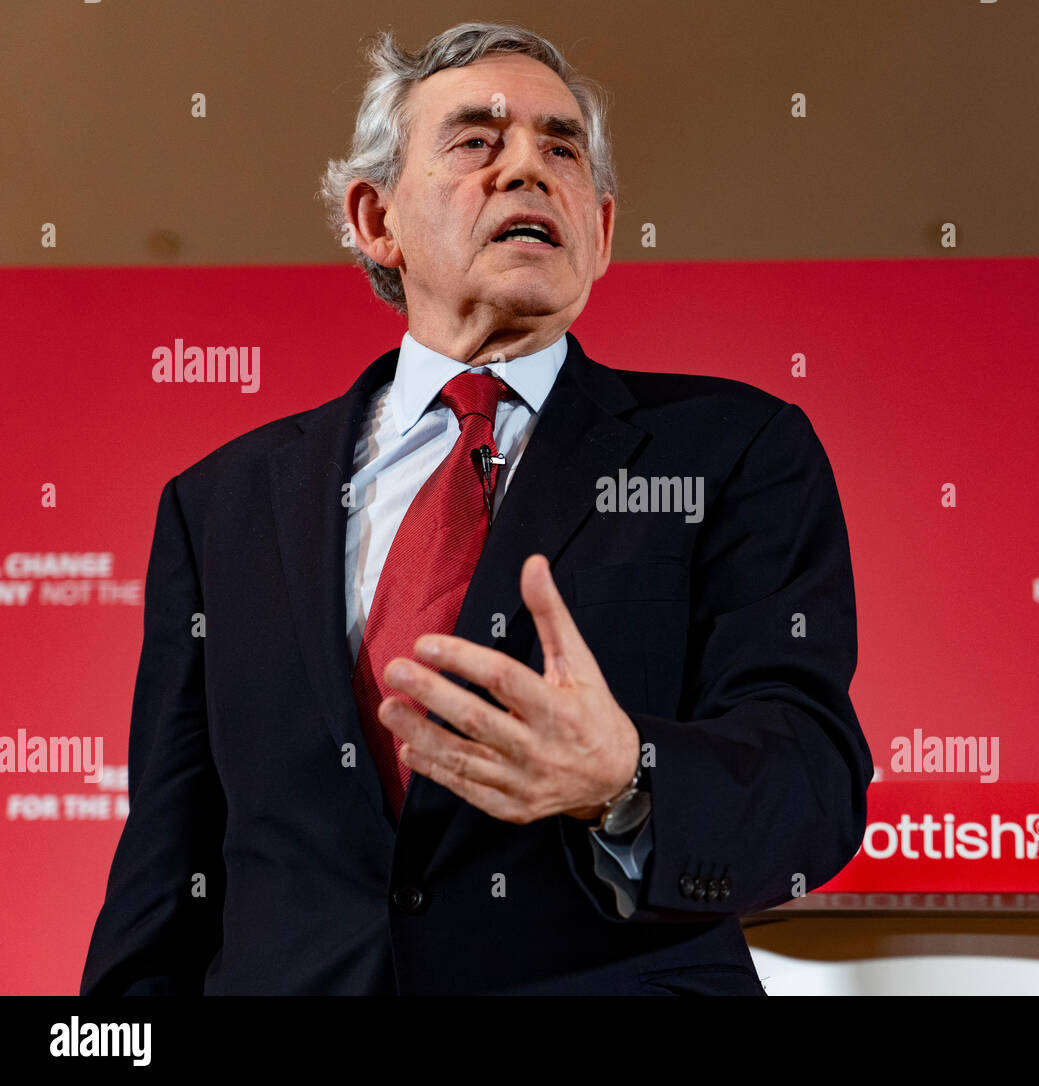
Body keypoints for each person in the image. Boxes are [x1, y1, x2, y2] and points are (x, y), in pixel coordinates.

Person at [81, 20, 872, 996]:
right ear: (376, 219)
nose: (527, 171)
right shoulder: (223, 503)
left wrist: (626, 775)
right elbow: (168, 863)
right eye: (476, 142)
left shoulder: (736, 449)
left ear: (603, 228)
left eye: (561, 147)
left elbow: (810, 784)